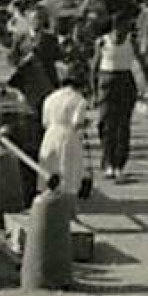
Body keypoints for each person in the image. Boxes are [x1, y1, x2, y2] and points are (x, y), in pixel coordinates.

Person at [93, 16, 148, 181]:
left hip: (125, 82)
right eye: (122, 28)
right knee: (106, 125)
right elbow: (94, 67)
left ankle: (119, 164)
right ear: (115, 28)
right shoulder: (102, 42)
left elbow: (142, 63)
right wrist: (94, 92)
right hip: (106, 82)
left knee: (122, 126)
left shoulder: (131, 42)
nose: (124, 32)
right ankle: (108, 162)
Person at [38, 63, 90, 196]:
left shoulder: (50, 98)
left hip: (50, 134)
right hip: (68, 136)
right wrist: (86, 124)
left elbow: (45, 121)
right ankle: (66, 202)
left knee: (49, 168)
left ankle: (47, 200)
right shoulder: (79, 100)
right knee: (68, 170)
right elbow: (77, 122)